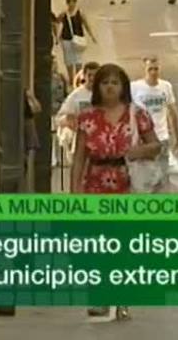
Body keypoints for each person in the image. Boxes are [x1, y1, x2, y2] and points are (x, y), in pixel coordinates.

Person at [71, 64, 160, 319]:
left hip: (127, 183)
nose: (110, 87)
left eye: (115, 82)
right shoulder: (87, 118)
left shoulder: (137, 114)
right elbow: (79, 157)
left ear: (123, 87)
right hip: (95, 184)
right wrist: (75, 192)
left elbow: (156, 145)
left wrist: (138, 151)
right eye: (105, 82)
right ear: (97, 86)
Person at [131, 57, 178, 187]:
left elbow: (173, 112)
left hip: (162, 138)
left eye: (156, 69)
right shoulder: (135, 87)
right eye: (150, 69)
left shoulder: (166, 86)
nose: (153, 72)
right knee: (145, 177)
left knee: (163, 176)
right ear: (145, 70)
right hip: (143, 141)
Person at [57, 0, 97, 84]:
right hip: (66, 39)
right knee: (68, 60)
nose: (72, 3)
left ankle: (78, 78)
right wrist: (57, 37)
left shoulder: (80, 13)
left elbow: (86, 25)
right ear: (67, 3)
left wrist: (92, 36)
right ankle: (71, 78)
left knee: (78, 59)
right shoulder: (63, 14)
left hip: (78, 39)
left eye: (74, 1)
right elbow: (58, 24)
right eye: (69, 1)